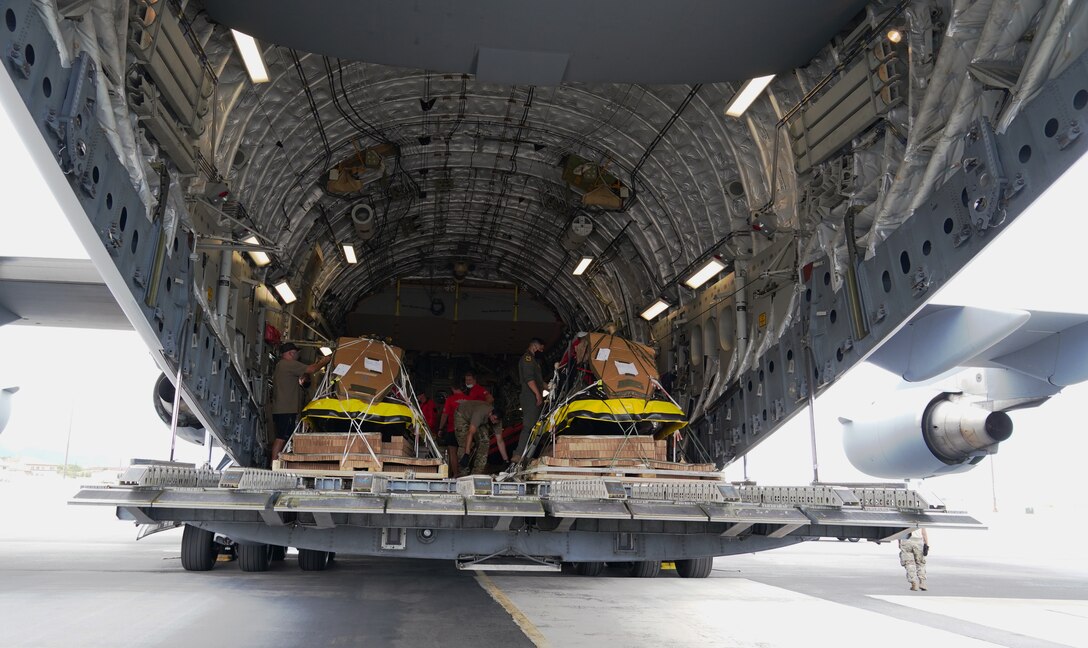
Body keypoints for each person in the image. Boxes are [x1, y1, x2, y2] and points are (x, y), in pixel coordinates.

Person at [270, 342, 331, 463]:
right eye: (296, 353)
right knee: (281, 438)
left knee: (283, 437)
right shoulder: (288, 364)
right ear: (291, 353)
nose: (298, 356)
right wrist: (325, 361)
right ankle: (274, 464)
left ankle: (277, 463)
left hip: (281, 409)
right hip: (286, 409)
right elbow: (312, 369)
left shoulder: (280, 365)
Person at [512, 337, 545, 462]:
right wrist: (538, 394)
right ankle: (518, 454)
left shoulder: (533, 360)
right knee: (528, 425)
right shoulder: (528, 359)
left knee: (534, 427)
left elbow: (538, 381)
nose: (541, 351)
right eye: (541, 348)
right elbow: (529, 379)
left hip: (533, 394)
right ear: (535, 346)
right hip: (530, 396)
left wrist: (549, 386)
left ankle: (526, 455)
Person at [454, 400, 501, 475]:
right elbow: (470, 433)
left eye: (496, 420)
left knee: (485, 441)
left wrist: (506, 459)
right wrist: (466, 454)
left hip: (480, 419)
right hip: (463, 415)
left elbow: (500, 441)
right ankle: (463, 473)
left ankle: (477, 473)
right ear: (490, 414)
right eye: (494, 418)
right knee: (464, 443)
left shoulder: (497, 420)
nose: (494, 422)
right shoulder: (479, 413)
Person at [439, 386, 467, 476]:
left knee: (452, 453)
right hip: (466, 430)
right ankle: (464, 473)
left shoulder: (450, 399)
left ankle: (455, 474)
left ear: (452, 388)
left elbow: (445, 415)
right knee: (465, 451)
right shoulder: (469, 398)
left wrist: (440, 428)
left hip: (452, 429)